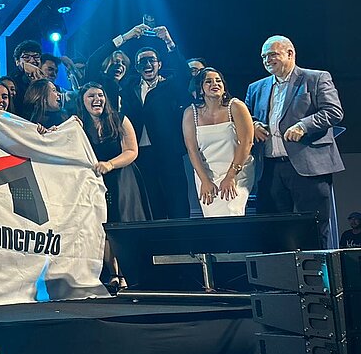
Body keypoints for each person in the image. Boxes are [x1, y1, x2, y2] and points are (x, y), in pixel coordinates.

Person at [246, 35, 344, 248]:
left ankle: (319, 270)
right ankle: (281, 271)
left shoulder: (315, 78)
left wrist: (303, 126)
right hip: (270, 169)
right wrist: (254, 125)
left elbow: (334, 111)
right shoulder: (256, 88)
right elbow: (246, 117)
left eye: (273, 54)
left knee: (314, 228)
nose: (267, 60)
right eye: (264, 56)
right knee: (274, 230)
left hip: (308, 166)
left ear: (290, 54)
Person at [75, 83, 149, 291]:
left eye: (100, 95)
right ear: (82, 101)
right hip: (95, 181)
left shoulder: (119, 119)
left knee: (122, 224)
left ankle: (127, 273)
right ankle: (114, 274)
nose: (97, 99)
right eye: (91, 96)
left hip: (122, 178)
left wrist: (110, 164)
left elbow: (132, 151)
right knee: (103, 227)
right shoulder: (79, 125)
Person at [119, 28, 190, 220]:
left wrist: (168, 41)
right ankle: (158, 239)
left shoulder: (170, 85)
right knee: (151, 203)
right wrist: (125, 37)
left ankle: (183, 239)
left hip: (169, 153)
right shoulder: (129, 88)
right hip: (141, 154)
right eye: (142, 61)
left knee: (177, 201)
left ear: (160, 64)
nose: (148, 64)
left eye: (151, 60)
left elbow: (184, 74)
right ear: (136, 67)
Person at [182, 68, 255, 217]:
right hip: (206, 173)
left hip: (237, 169)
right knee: (212, 218)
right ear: (200, 89)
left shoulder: (236, 106)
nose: (214, 84)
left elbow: (246, 143)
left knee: (232, 212)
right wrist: (204, 180)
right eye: (208, 81)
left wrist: (230, 177)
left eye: (218, 80)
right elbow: (192, 150)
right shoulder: (191, 113)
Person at [11, 40, 44, 119]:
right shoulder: (11, 82)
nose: (32, 61)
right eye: (26, 57)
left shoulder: (45, 81)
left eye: (36, 57)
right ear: (17, 62)